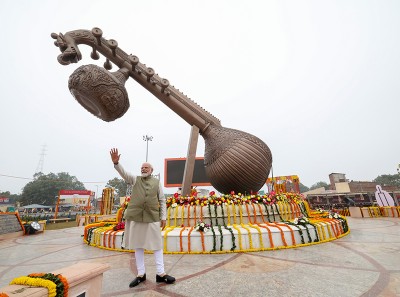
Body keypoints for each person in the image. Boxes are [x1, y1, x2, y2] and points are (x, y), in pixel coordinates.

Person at [109, 148, 175, 287]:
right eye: (142, 168)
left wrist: (163, 217)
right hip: (136, 217)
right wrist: (116, 164)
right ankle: (141, 274)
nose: (143, 169)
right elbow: (124, 174)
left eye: (146, 168)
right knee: (138, 245)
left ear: (151, 170)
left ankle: (160, 274)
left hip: (152, 217)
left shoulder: (157, 183)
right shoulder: (135, 179)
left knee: (157, 245)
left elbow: (162, 200)